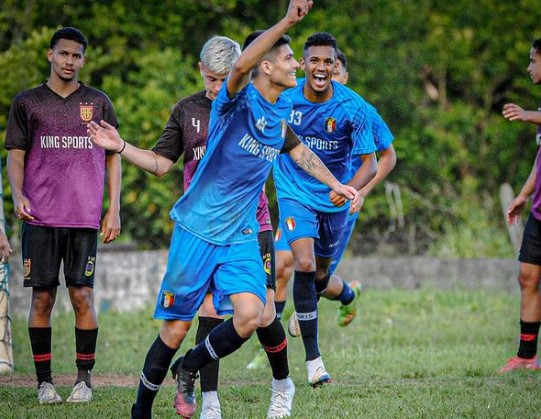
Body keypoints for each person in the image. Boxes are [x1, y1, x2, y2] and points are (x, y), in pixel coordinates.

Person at [89, 2, 358, 418]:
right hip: (197, 229)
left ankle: (195, 368)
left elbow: (300, 151)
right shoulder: (231, 103)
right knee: (177, 329)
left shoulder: (278, 112)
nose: (298, 66)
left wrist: (337, 183)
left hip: (242, 232)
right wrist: (287, 21)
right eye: (290, 59)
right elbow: (239, 71)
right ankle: (140, 410)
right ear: (264, 68)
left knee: (254, 314)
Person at [89, 34, 289, 419]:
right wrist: (120, 146)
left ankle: (282, 385)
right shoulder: (187, 111)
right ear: (200, 70)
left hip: (251, 224)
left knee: (261, 314)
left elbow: (291, 146)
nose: (216, 87)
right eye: (210, 78)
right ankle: (182, 403)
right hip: (200, 232)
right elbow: (162, 164)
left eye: (224, 78)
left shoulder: (253, 107)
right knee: (191, 321)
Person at [4, 27, 121, 404]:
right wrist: (18, 194)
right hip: (40, 217)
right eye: (64, 54)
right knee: (42, 298)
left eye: (77, 55)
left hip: (84, 217)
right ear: (51, 56)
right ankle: (44, 383)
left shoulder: (99, 102)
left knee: (82, 296)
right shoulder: (27, 103)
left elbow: (114, 154)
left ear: (84, 60)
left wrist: (113, 208)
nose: (70, 61)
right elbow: (16, 155)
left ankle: (83, 381)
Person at [272, 32, 379, 387]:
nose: (321, 68)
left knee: (319, 275)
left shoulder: (354, 107)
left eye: (327, 62)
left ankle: (345, 294)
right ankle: (314, 362)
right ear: (303, 64)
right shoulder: (284, 97)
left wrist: (351, 189)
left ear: (336, 66)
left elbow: (372, 164)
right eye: (314, 60)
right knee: (300, 262)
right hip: (293, 192)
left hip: (333, 201)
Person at [499, 37, 541, 373]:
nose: (529, 67)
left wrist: (527, 115)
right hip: (539, 214)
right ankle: (526, 356)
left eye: (533, 61)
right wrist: (524, 194)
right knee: (527, 277)